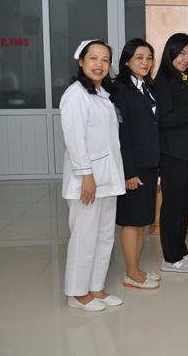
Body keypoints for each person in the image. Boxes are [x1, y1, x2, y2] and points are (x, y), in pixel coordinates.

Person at [61, 39, 125, 311]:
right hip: (88, 180)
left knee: (104, 236)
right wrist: (86, 175)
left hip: (108, 178)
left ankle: (95, 287)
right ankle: (77, 294)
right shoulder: (75, 95)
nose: (99, 64)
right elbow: (75, 139)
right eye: (93, 58)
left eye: (105, 60)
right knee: (84, 237)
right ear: (81, 61)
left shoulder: (101, 94)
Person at [154, 33, 188, 273]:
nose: (186, 59)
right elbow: (164, 120)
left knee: (184, 205)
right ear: (170, 52)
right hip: (172, 153)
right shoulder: (164, 81)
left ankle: (181, 252)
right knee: (173, 207)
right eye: (182, 53)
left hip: (187, 151)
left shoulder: (184, 79)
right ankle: (170, 258)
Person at [113, 38, 160, 289]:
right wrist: (128, 172)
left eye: (149, 58)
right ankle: (131, 273)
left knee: (142, 220)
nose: (145, 62)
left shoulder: (146, 86)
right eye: (139, 57)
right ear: (127, 61)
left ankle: (135, 269)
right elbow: (122, 134)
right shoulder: (121, 88)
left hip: (149, 163)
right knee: (131, 221)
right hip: (134, 167)